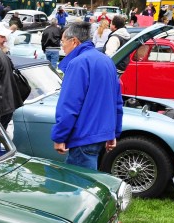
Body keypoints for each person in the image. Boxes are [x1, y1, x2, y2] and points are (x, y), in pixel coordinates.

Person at [51, 22, 123, 170]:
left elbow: (69, 105)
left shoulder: (78, 63)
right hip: (100, 134)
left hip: (83, 136)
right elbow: (116, 101)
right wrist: (113, 132)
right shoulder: (107, 61)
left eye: (63, 42)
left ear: (74, 41)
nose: (62, 46)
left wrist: (59, 137)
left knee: (78, 182)